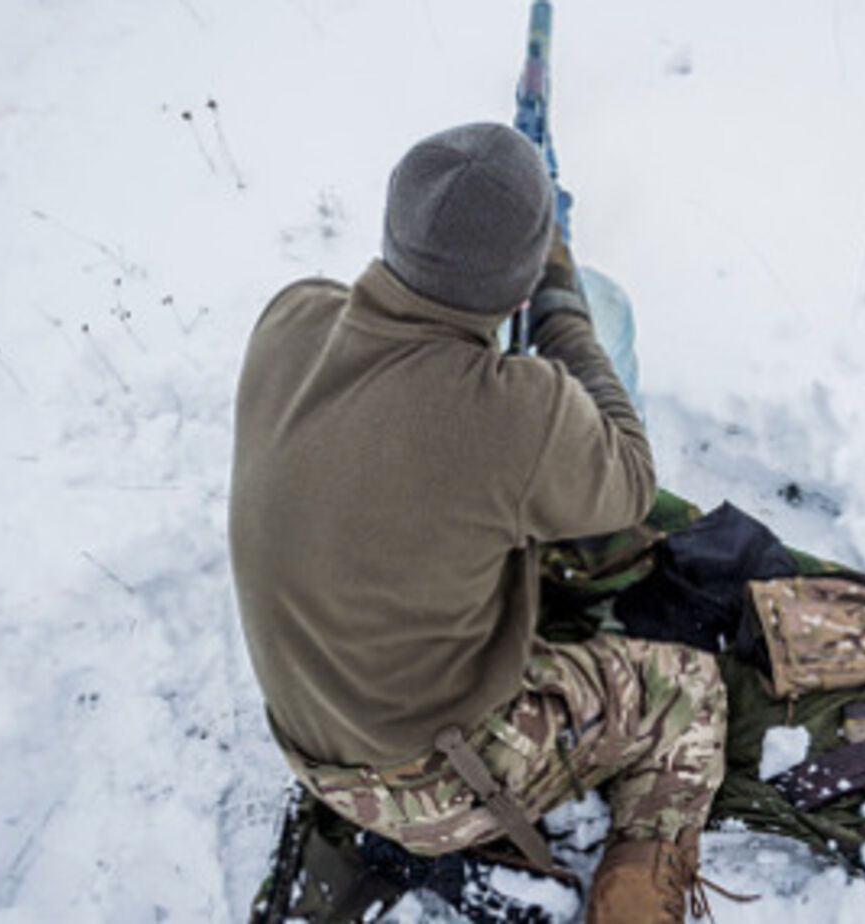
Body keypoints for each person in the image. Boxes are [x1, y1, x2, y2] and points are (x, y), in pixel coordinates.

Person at [228, 123, 728, 923]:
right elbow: (630, 479)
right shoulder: (513, 415)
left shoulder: (290, 320)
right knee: (689, 693)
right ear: (521, 281)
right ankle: (637, 895)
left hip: (303, 735)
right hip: (424, 784)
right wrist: (562, 306)